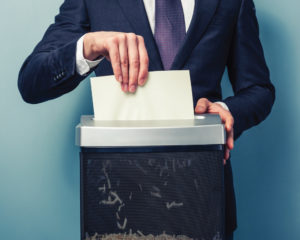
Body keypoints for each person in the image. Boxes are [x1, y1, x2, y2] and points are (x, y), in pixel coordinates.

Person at [18, 0, 275, 239]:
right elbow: (31, 81)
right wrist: (87, 46)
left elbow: (259, 89)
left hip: (203, 201)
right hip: (119, 204)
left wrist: (226, 110)